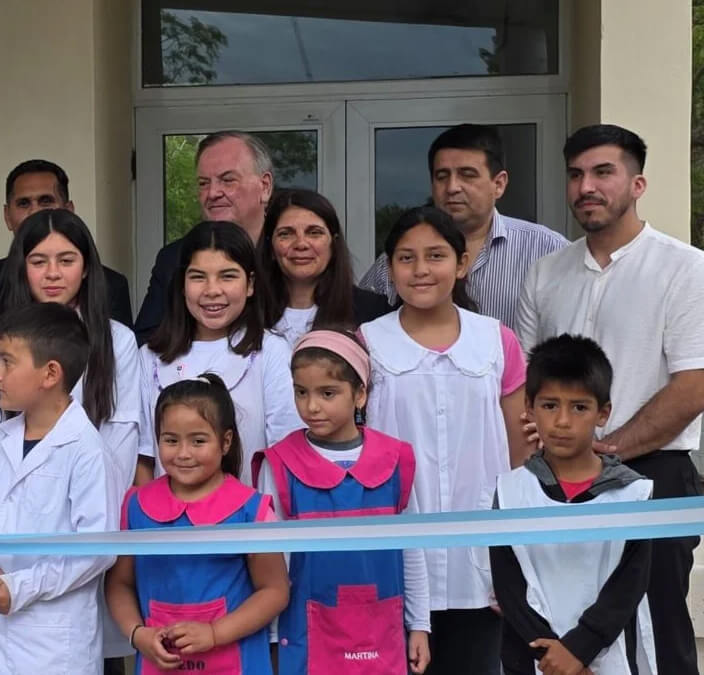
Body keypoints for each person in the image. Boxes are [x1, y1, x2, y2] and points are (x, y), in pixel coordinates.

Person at [515, 124, 704, 674]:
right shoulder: (546, 272)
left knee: (658, 628)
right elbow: (528, 385)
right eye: (575, 175)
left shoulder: (685, 268)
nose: (586, 187)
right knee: (565, 625)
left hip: (656, 474)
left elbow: (693, 386)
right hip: (558, 483)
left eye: (603, 173)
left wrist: (607, 452)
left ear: (637, 183)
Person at [0, 208, 141, 670]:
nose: (53, 273)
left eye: (66, 259)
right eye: (39, 260)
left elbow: (121, 443)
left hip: (80, 542)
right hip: (0, 584)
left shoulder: (115, 340)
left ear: (87, 266)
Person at [360, 206, 531, 675]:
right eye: (405, 258)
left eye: (435, 256)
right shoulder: (368, 342)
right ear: (389, 269)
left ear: (461, 264)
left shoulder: (497, 340)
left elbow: (519, 450)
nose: (420, 270)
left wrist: (513, 553)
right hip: (394, 549)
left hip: (477, 557)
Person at [0, 302, 119, 675]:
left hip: (52, 646)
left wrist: (22, 586)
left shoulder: (87, 451)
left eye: (7, 362)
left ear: (50, 373)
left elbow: (96, 550)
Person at [254, 330, 430, 674]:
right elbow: (272, 564)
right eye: (301, 392)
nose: (311, 405)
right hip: (302, 633)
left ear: (360, 394)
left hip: (385, 629)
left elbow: (413, 550)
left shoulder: (396, 460)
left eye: (327, 393)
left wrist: (420, 625)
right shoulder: (280, 463)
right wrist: (272, 639)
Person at [491, 334, 655, 675]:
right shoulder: (509, 493)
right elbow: (509, 588)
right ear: (529, 406)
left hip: (608, 658)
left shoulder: (634, 494)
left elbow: (628, 586)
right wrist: (555, 658)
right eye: (550, 405)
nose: (563, 421)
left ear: (603, 412)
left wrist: (579, 649)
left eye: (579, 407)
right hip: (534, 658)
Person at [106, 374, 288, 674]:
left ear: (225, 441)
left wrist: (215, 633)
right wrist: (138, 634)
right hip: (158, 663)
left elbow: (274, 591)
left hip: (235, 662)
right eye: (171, 440)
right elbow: (119, 584)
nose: (183, 453)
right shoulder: (136, 506)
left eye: (198, 441)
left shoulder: (250, 509)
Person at [136, 220, 297, 487]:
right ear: (181, 283)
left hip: (251, 519)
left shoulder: (271, 351)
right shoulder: (151, 357)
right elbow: (144, 457)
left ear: (250, 284)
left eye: (228, 276)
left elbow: (287, 450)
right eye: (198, 277)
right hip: (169, 522)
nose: (212, 290)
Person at [359, 124, 567, 328]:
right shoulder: (399, 259)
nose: (452, 187)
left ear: (499, 184)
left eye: (467, 175)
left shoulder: (546, 249)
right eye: (442, 176)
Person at [135, 131, 274, 343]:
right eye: (203, 183)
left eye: (228, 180)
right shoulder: (174, 257)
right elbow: (150, 341)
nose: (212, 193)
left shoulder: (290, 254)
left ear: (264, 187)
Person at [0, 159, 132, 326]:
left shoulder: (111, 285)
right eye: (24, 203)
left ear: (68, 211)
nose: (35, 211)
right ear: (7, 216)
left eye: (46, 201)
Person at [258, 188, 391, 344]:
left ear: (333, 244)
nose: (301, 244)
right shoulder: (247, 311)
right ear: (271, 247)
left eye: (314, 233)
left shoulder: (374, 311)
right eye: (285, 234)